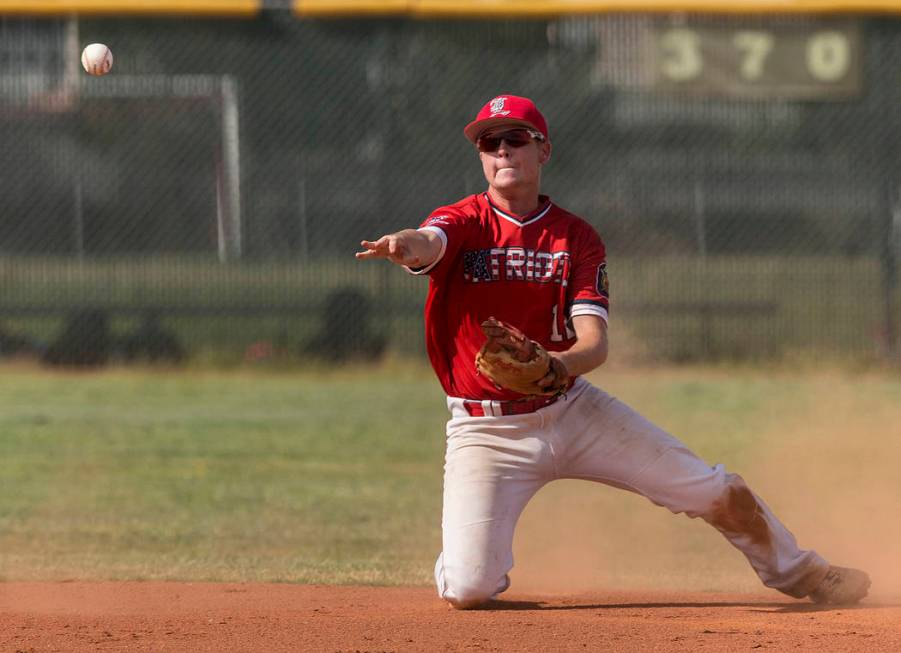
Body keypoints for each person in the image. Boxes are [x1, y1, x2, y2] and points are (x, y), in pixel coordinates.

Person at [356, 94, 870, 609]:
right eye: (490, 143)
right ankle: (462, 556)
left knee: (716, 491)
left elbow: (594, 344)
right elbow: (428, 240)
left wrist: (558, 367)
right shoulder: (463, 221)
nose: (503, 151)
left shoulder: (575, 238)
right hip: (485, 431)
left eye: (516, 139)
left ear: (543, 151)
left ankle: (802, 572)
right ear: (482, 157)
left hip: (571, 409)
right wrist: (402, 244)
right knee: (468, 590)